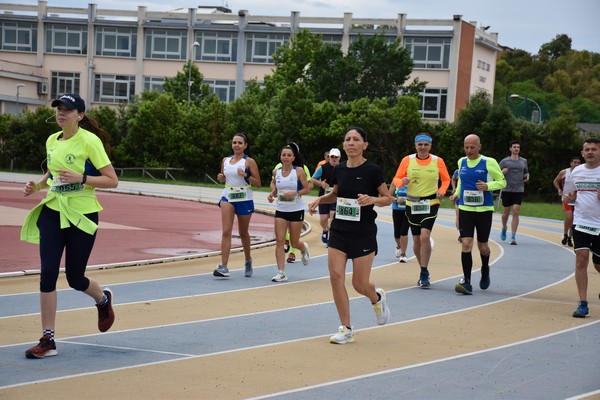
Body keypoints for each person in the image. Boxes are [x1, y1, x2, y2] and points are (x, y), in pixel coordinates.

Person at [20, 93, 119, 358]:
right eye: (58, 109)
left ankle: (103, 299)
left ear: (80, 115)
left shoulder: (90, 141)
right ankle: (47, 339)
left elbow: (112, 180)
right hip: (52, 211)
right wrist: (37, 185)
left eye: (67, 109)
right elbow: (52, 172)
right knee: (48, 272)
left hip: (82, 215)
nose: (61, 113)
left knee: (75, 278)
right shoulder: (52, 140)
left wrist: (82, 177)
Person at [308, 126, 392, 344]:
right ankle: (346, 328)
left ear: (364, 145)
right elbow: (336, 193)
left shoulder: (372, 170)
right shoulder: (340, 169)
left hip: (363, 232)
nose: (351, 143)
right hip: (339, 230)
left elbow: (387, 198)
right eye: (348, 139)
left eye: (356, 139)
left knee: (359, 284)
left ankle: (377, 298)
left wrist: (372, 200)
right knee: (336, 277)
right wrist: (319, 199)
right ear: (343, 145)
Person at [391, 133, 450, 288]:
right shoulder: (407, 160)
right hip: (412, 203)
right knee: (416, 239)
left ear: (430, 146)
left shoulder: (438, 161)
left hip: (431, 202)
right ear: (415, 145)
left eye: (426, 145)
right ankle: (423, 268)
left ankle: (424, 272)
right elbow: (396, 179)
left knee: (425, 236)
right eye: (420, 144)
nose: (423, 147)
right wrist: (401, 181)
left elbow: (446, 179)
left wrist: (442, 190)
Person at [450, 134, 506, 295]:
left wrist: (488, 186)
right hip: (466, 209)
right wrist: (457, 194)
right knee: (466, 243)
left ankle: (485, 268)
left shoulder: (489, 162)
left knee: (483, 246)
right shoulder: (461, 162)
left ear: (479, 147)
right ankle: (467, 281)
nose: (469, 150)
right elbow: (461, 181)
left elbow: (502, 181)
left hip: (484, 210)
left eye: (472, 147)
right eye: (466, 147)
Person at [213, 133, 261, 278]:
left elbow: (258, 183)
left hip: (244, 197)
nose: (237, 145)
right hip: (228, 196)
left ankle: (247, 260)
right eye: (234, 142)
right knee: (226, 232)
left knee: (243, 233)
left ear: (245, 145)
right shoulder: (225, 160)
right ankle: (224, 266)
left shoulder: (249, 162)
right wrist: (220, 178)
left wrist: (245, 175)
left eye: (240, 143)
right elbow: (223, 176)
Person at [563, 138, 600, 318]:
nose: (590, 152)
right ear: (583, 153)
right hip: (582, 222)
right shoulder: (576, 172)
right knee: (581, 259)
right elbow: (572, 195)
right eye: (587, 149)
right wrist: (569, 197)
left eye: (594, 149)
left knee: (599, 265)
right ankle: (583, 303)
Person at [267, 143, 311, 282]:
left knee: (294, 241)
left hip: (296, 210)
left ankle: (303, 248)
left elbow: (307, 188)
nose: (286, 157)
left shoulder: (298, 171)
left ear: (293, 158)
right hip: (281, 210)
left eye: (289, 155)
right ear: (280, 157)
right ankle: (281, 272)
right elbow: (275, 185)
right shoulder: (276, 172)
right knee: (280, 241)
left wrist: (295, 192)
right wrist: (272, 194)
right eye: (283, 155)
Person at [499, 140, 530, 245]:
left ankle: (513, 236)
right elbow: (496, 173)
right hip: (507, 189)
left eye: (518, 147)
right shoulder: (504, 161)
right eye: (514, 147)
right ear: (510, 149)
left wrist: (527, 176)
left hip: (519, 189)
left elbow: (526, 171)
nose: (516, 149)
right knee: (505, 213)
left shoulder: (523, 161)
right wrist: (502, 172)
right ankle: (504, 227)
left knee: (516, 211)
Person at [311, 147, 341, 246]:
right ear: (328, 157)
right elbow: (313, 179)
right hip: (324, 196)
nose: (333, 158)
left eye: (336, 157)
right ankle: (325, 230)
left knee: (333, 216)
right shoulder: (323, 167)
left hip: (336, 196)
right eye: (332, 156)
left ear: (339, 157)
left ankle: (331, 237)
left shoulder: (342, 168)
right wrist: (321, 183)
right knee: (323, 219)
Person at [553, 156, 581, 247]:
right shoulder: (564, 172)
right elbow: (556, 181)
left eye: (578, 163)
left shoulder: (581, 172)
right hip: (566, 198)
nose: (576, 164)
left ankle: (570, 237)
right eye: (575, 162)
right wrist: (559, 189)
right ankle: (565, 234)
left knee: (574, 219)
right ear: (571, 163)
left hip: (577, 200)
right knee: (569, 217)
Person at [389, 183, 409, 263]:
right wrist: (396, 200)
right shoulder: (395, 182)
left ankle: (403, 254)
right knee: (397, 233)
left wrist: (408, 200)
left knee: (404, 231)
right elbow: (388, 195)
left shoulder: (413, 182)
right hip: (396, 209)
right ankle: (399, 246)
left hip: (408, 210)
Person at [452, 168, 461, 242]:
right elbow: (453, 179)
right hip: (458, 196)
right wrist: (454, 188)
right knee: (458, 215)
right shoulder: (457, 171)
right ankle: (459, 234)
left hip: (468, 195)